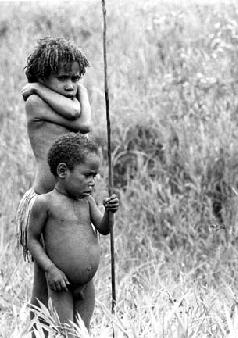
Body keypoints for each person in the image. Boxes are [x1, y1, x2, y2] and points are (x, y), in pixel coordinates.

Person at [15, 37, 92, 330]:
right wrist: (35, 88)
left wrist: (80, 91)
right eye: (63, 78)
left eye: (76, 78)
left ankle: (71, 329)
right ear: (41, 77)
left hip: (68, 201)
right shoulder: (34, 100)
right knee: (44, 276)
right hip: (45, 200)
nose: (71, 85)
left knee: (72, 270)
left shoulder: (64, 97)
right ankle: (37, 330)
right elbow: (79, 117)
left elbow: (84, 124)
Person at [27, 133, 119, 335]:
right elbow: (31, 239)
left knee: (83, 332)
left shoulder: (87, 201)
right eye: (87, 175)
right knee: (68, 332)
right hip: (62, 285)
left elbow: (104, 229)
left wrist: (110, 213)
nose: (92, 182)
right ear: (62, 171)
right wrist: (50, 269)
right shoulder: (45, 203)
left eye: (94, 176)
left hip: (87, 285)